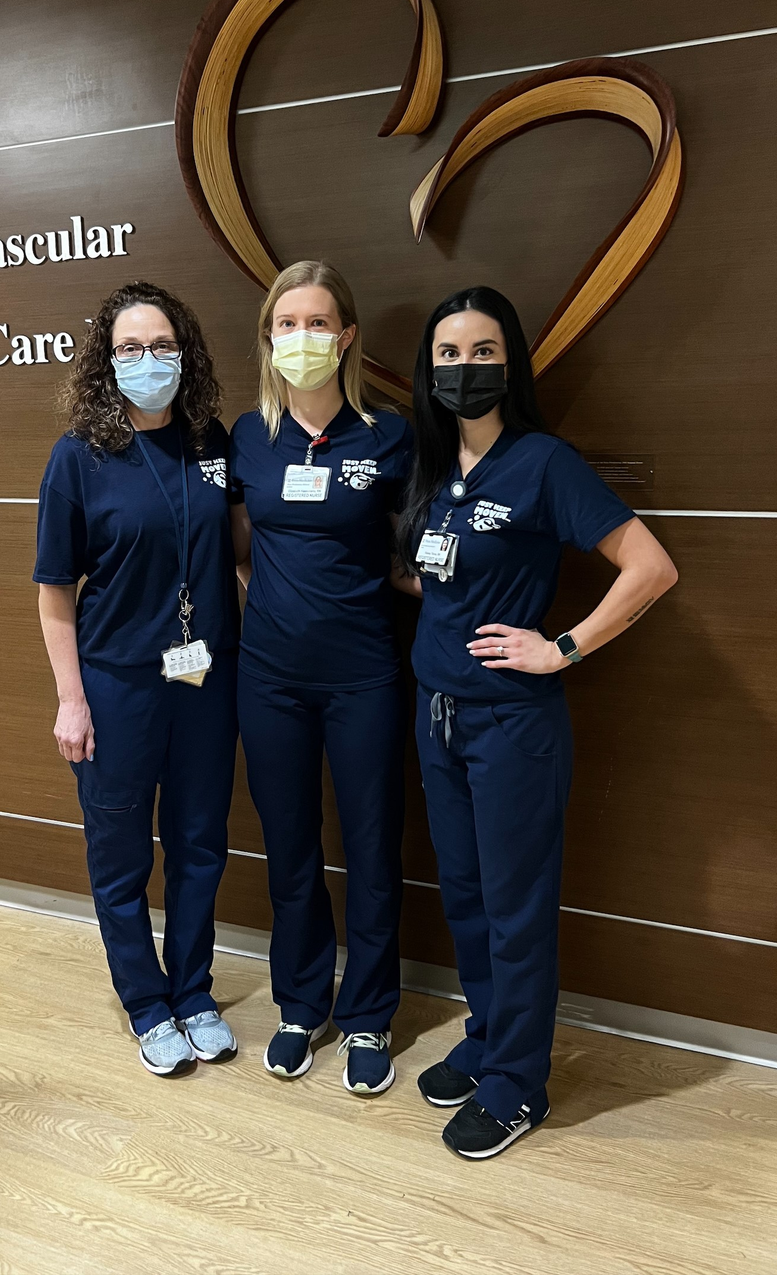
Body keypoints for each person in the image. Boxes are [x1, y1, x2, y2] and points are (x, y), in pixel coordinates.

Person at [394, 285, 678, 1158]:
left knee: (516, 907)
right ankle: (487, 1039)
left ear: (509, 364)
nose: (465, 367)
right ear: (430, 367)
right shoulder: (436, 468)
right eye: (450, 353)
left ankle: (520, 1084)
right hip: (434, 714)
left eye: (483, 352)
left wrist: (563, 645)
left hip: (513, 724)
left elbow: (651, 566)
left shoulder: (543, 462)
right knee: (470, 898)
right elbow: (423, 573)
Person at [34, 281, 240, 1077]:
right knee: (121, 856)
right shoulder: (78, 456)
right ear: (106, 361)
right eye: (130, 349)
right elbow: (55, 593)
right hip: (118, 687)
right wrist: (71, 699)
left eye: (162, 346)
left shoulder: (212, 442)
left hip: (203, 681)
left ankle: (192, 991)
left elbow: (242, 549)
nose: (148, 361)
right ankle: (146, 1004)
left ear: (183, 354)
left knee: (199, 845)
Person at [229, 260, 414, 1097]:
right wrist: (267, 602)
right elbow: (235, 546)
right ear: (268, 340)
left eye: (316, 323)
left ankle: (371, 1013)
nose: (300, 339)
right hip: (268, 677)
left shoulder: (391, 435)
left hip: (364, 674)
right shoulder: (246, 438)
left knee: (373, 847)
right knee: (291, 846)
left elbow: (417, 553)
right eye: (285, 324)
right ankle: (303, 1004)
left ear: (346, 337)